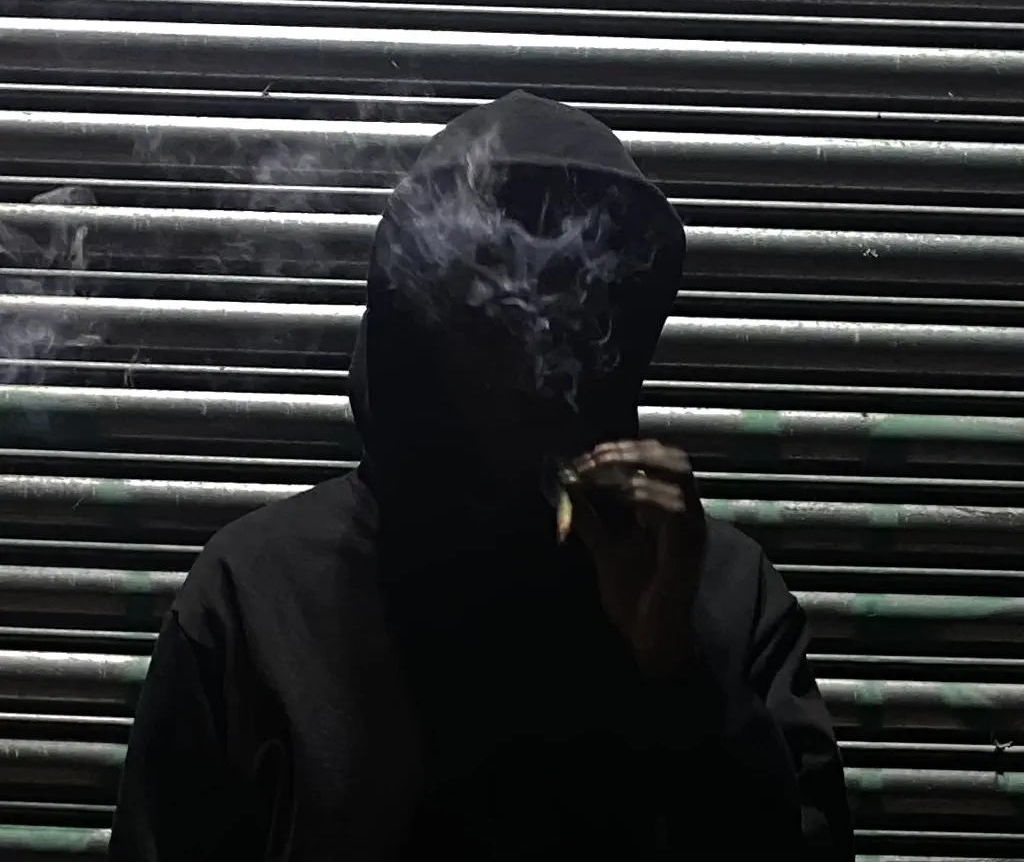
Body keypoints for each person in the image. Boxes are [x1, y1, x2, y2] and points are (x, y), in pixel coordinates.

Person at [110, 91, 853, 860]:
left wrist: (684, 680)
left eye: (573, 303)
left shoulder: (717, 595)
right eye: (486, 307)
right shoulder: (258, 599)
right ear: (416, 322)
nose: (529, 352)